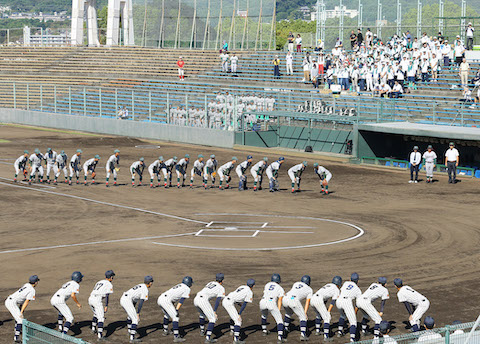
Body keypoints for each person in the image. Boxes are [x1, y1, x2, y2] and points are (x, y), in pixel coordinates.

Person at [5, 275, 39, 343]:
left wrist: (21, 311)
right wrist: (21, 312)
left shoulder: (26, 285)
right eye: (37, 281)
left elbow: (22, 299)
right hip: (11, 303)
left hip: (10, 300)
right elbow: (26, 302)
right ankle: (16, 337)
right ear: (35, 282)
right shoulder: (32, 290)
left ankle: (17, 330)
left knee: (19, 318)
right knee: (20, 320)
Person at [158, 277, 193, 342]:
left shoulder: (180, 285)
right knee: (175, 317)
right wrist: (176, 309)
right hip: (166, 301)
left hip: (160, 298)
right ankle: (176, 337)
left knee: (167, 315)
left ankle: (165, 331)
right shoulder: (187, 288)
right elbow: (182, 300)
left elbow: (173, 297)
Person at [120, 276, 154, 343]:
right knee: (135, 319)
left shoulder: (141, 285)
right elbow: (141, 302)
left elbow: (135, 300)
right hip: (127, 300)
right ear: (150, 283)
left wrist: (134, 310)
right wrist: (137, 313)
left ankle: (130, 331)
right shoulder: (145, 290)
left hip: (123, 298)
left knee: (130, 316)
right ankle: (132, 338)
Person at [194, 273, 226, 342]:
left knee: (202, 314)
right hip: (203, 301)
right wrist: (214, 311)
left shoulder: (210, 283)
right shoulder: (221, 288)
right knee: (213, 319)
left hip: (196, 299)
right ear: (222, 280)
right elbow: (218, 300)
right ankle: (208, 339)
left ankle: (202, 331)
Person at [222, 279, 256, 344]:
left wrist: (238, 303)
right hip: (229, 303)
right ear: (253, 286)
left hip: (226, 299)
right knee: (238, 320)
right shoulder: (250, 292)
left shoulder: (242, 286)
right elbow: (245, 304)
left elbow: (235, 296)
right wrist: (239, 314)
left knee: (233, 316)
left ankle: (232, 330)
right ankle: (236, 340)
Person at [283, 275, 313, 341]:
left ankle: (285, 328)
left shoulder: (296, 283)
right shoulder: (309, 289)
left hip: (285, 298)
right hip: (293, 300)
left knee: (288, 313)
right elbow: (307, 302)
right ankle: (303, 335)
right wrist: (305, 313)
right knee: (303, 317)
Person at [88, 270, 115, 341]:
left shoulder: (99, 281)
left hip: (90, 299)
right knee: (101, 318)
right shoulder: (109, 284)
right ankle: (100, 336)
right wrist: (106, 306)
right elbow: (107, 295)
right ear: (111, 277)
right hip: (97, 300)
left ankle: (93, 329)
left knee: (96, 314)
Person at [259, 274, 285, 342]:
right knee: (279, 320)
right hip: (271, 302)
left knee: (264, 315)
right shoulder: (280, 288)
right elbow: (280, 300)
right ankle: (280, 338)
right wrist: (278, 310)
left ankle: (264, 331)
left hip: (262, 301)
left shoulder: (267, 284)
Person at [336, 273, 361, 342]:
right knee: (353, 322)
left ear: (350, 279)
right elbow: (358, 304)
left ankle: (339, 331)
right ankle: (352, 339)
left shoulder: (346, 283)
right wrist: (354, 312)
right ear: (357, 281)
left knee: (342, 315)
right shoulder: (358, 290)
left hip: (339, 300)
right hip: (347, 302)